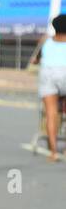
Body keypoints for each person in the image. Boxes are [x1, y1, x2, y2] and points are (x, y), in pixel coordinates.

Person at [37, 12, 66, 161]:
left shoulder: (47, 42)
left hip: (48, 73)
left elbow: (37, 59)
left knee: (51, 114)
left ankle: (53, 151)